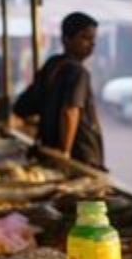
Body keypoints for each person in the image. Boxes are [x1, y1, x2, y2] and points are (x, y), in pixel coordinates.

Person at [30, 12, 105, 169]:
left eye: (93, 39)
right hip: (80, 156)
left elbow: (27, 105)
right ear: (66, 39)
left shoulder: (51, 65)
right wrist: (65, 153)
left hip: (49, 149)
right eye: (85, 38)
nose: (91, 44)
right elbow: (70, 111)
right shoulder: (79, 72)